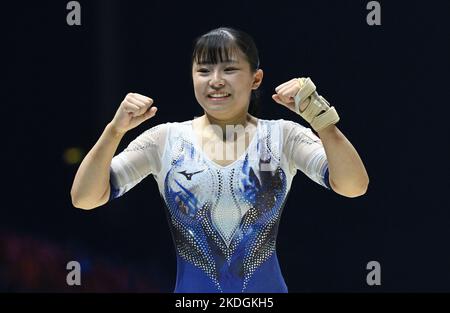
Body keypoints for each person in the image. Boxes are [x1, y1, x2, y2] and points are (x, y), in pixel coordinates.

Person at [70, 27, 369, 293]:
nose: (215, 81)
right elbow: (85, 197)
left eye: (229, 69)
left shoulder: (283, 137)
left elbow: (353, 185)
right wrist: (114, 131)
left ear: (256, 78)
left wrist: (322, 121)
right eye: (203, 71)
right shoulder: (164, 140)